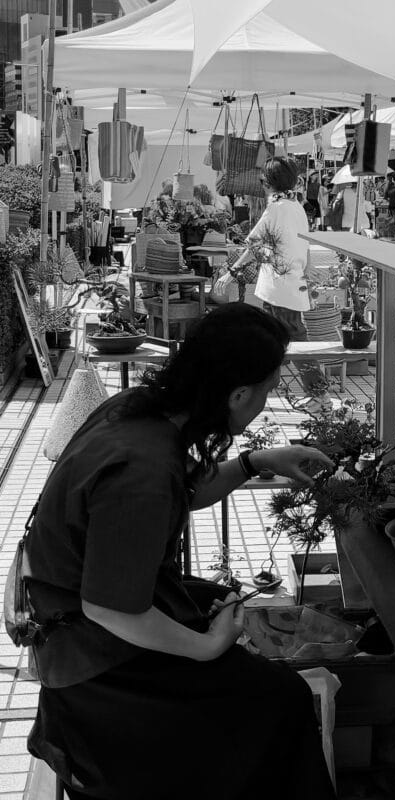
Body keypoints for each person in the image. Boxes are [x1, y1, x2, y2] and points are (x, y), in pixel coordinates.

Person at [25, 304, 336, 800]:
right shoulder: (140, 472)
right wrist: (206, 647)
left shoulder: (138, 408)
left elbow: (183, 488)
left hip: (82, 623)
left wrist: (254, 462)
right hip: (93, 668)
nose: (266, 401)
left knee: (225, 612)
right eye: (268, 391)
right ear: (237, 395)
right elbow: (106, 607)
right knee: (281, 700)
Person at [215, 157, 332, 412]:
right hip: (288, 283)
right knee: (276, 340)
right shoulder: (296, 206)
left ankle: (319, 395)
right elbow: (302, 246)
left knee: (295, 341)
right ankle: (268, 389)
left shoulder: (277, 208)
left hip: (281, 287)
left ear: (268, 183)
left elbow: (254, 244)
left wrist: (230, 273)